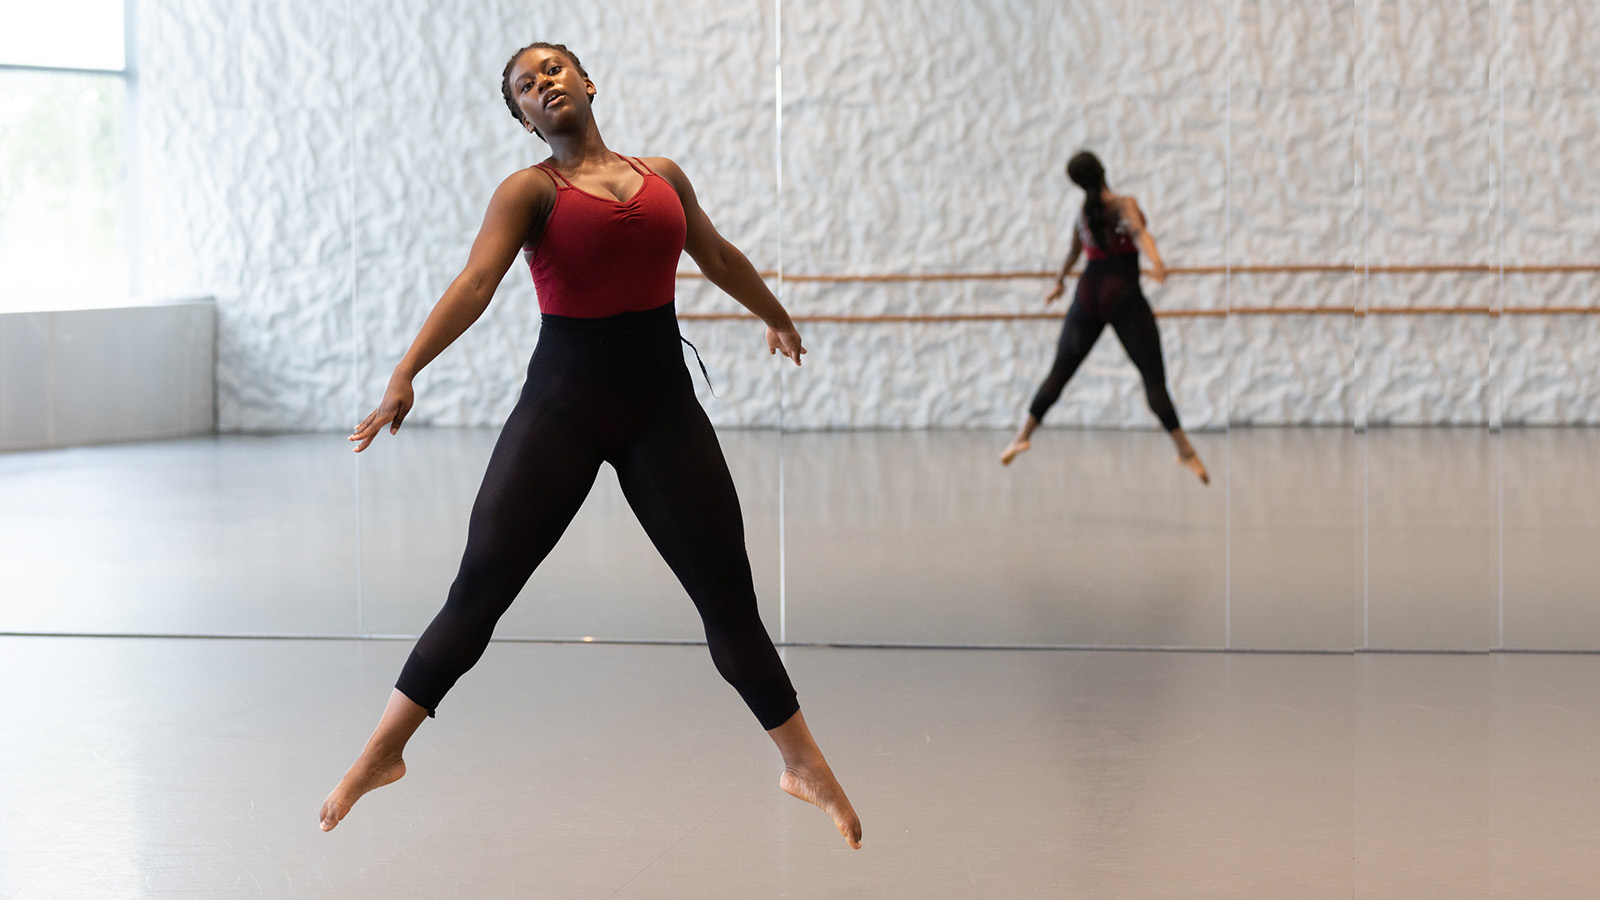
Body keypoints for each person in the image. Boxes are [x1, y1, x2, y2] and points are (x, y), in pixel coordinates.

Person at [318, 41, 861, 850]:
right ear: (525, 118)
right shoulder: (528, 193)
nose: (542, 84)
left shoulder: (665, 176)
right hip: (561, 413)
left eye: (551, 70)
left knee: (728, 598)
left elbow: (713, 256)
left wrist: (773, 313)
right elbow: (475, 285)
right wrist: (406, 371)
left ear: (587, 81)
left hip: (661, 413)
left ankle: (803, 765)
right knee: (480, 589)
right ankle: (383, 750)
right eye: (524, 87)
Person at [1000, 151, 1209, 485]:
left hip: (1087, 292)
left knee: (1059, 372)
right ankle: (1184, 449)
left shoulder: (1083, 213)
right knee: (1153, 378)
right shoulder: (1123, 204)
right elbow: (1140, 234)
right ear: (1103, 170)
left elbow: (1073, 252)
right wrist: (1157, 262)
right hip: (1121, 292)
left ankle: (1021, 435)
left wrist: (1058, 283)